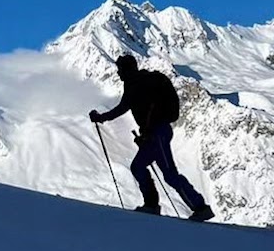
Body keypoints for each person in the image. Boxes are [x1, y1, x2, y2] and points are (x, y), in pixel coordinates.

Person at [89, 54, 214, 221]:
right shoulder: (137, 83)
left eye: (120, 69)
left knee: (166, 173)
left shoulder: (136, 85)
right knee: (139, 167)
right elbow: (125, 108)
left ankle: (198, 207)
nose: (118, 73)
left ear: (127, 69)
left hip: (157, 133)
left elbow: (121, 109)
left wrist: (100, 118)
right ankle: (154, 205)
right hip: (157, 133)